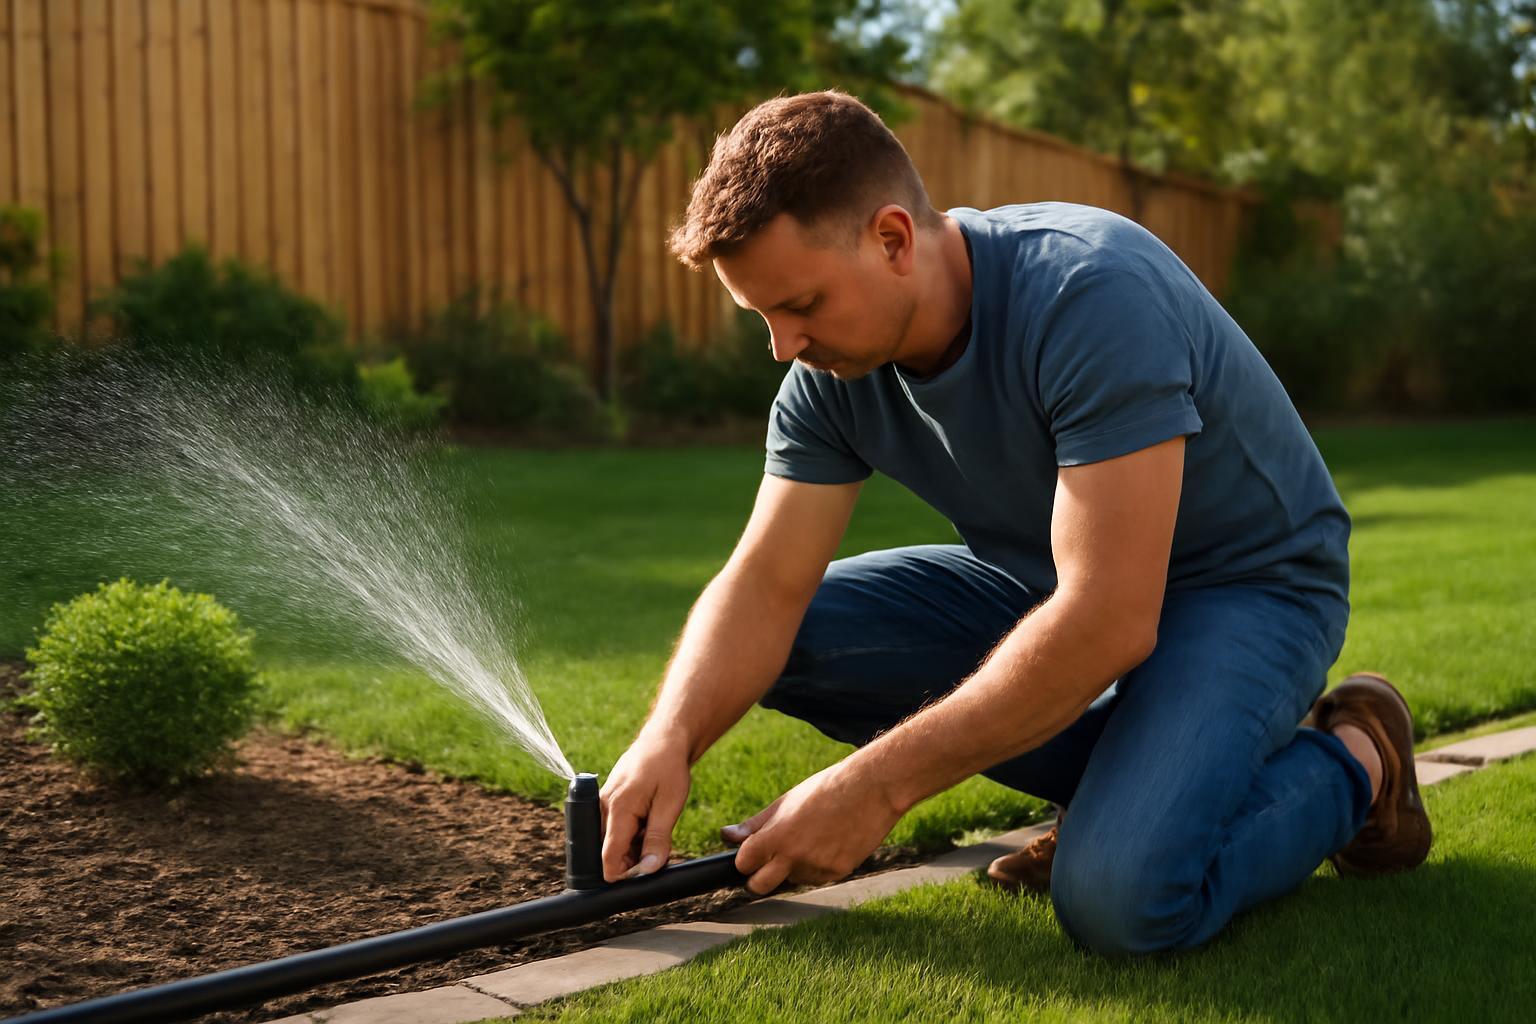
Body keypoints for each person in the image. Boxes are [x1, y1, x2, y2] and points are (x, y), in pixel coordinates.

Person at [598, 89, 1431, 955]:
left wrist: (873, 789)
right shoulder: (827, 377)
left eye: (800, 305)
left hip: (1247, 589)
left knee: (1122, 900)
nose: (783, 347)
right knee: (801, 637)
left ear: (891, 239)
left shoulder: (1087, 294)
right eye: (763, 317)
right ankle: (1143, 778)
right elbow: (764, 585)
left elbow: (1109, 617)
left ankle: (1359, 762)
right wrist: (672, 736)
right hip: (1051, 584)